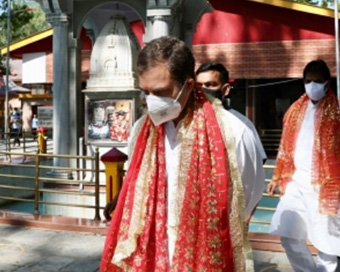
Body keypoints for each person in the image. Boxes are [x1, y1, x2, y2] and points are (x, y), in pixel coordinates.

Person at [100, 36, 258, 272]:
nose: (151, 101)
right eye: (145, 92)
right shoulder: (140, 130)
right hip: (152, 255)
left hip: (205, 255)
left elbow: (247, 195)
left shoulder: (234, 132)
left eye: (160, 91)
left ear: (189, 85)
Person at [267, 59, 340, 272]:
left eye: (318, 81)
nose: (313, 86)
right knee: (288, 235)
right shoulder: (295, 110)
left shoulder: (337, 111)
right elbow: (285, 148)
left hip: (327, 187)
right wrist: (276, 177)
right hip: (296, 182)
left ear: (327, 83)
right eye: (309, 81)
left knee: (327, 244)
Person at [196, 62, 266, 222]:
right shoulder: (185, 122)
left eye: (210, 84)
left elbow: (252, 176)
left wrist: (242, 217)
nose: (203, 90)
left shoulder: (240, 126)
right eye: (199, 85)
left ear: (225, 89)